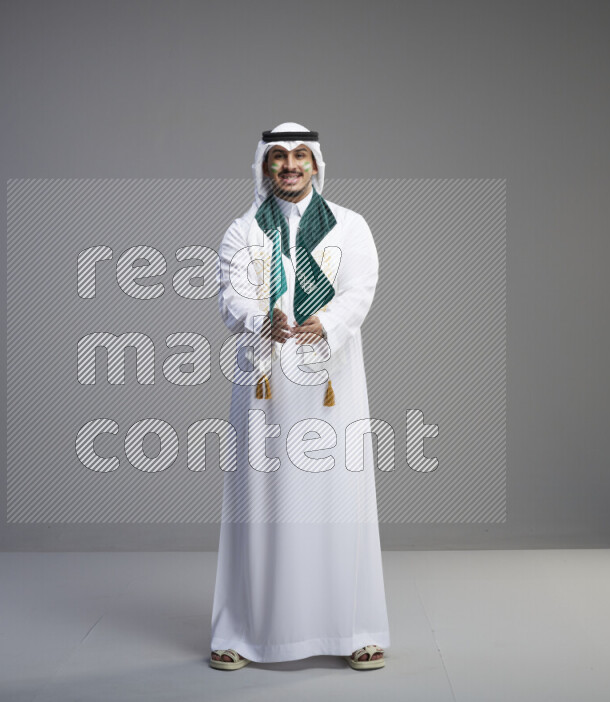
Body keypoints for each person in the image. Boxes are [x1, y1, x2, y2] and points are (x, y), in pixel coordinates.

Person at [210, 122, 390, 671]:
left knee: (339, 497)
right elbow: (230, 295)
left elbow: (360, 287)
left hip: (331, 384)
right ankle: (243, 631)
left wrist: (328, 321)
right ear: (264, 165)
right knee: (260, 502)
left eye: (299, 155)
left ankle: (355, 628)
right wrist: (259, 318)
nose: (289, 165)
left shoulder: (349, 226)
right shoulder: (243, 230)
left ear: (315, 163)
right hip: (264, 384)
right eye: (279, 157)